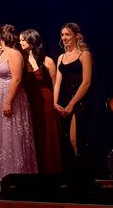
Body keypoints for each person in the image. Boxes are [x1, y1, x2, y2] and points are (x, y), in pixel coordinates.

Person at [0, 24, 37, 192]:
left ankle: (16, 176)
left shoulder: (14, 53)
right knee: (1, 136)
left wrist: (8, 101)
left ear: (1, 37)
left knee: (13, 135)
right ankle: (0, 176)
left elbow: (17, 79)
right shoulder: (2, 54)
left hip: (11, 97)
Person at [54, 22, 93, 185]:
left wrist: (71, 104)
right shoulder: (61, 58)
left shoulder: (84, 54)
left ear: (76, 36)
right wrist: (55, 102)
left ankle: (84, 179)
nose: (64, 38)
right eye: (62, 35)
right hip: (63, 102)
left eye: (67, 34)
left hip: (79, 101)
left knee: (75, 139)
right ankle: (71, 178)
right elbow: (57, 82)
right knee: (65, 140)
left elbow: (86, 82)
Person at [19, 29, 61, 174]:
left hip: (45, 101)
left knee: (47, 133)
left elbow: (55, 84)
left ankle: (52, 170)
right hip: (29, 102)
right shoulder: (22, 61)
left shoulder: (47, 61)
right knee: (33, 133)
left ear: (31, 41)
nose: (20, 42)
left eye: (23, 40)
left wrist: (55, 103)